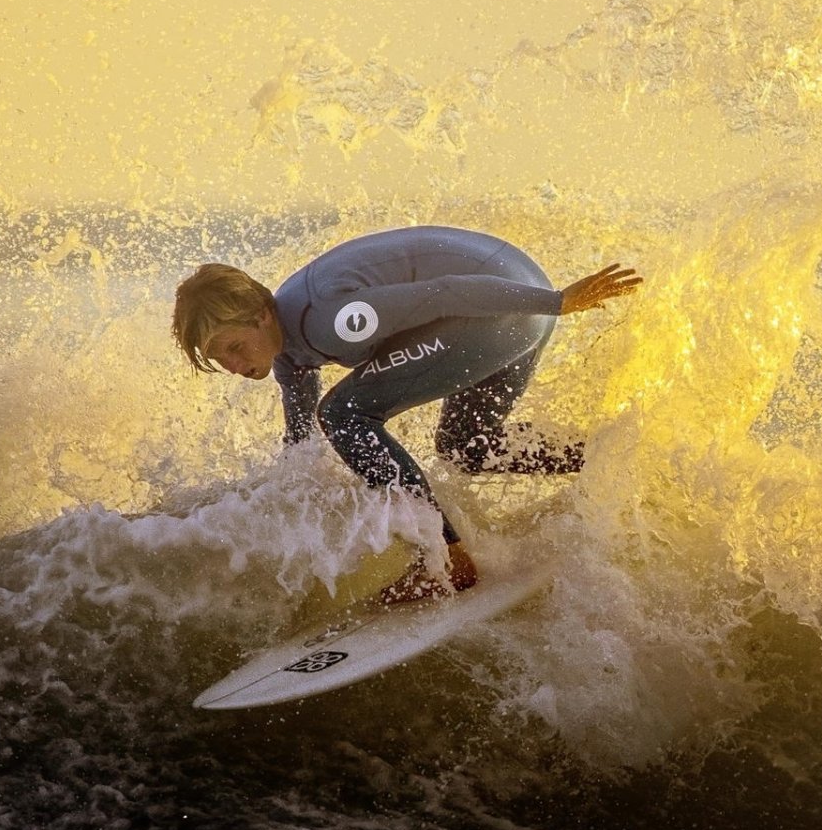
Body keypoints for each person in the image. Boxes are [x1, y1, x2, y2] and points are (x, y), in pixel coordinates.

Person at [173, 225, 642, 603]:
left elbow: (444, 293)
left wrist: (557, 302)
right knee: (465, 447)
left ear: (261, 315)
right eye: (220, 359)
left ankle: (444, 560)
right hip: (511, 297)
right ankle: (613, 458)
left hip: (504, 304)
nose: (233, 366)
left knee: (342, 413)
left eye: (234, 347)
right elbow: (300, 452)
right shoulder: (288, 355)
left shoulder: (331, 319)